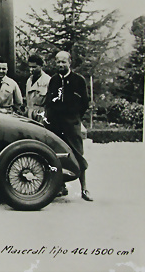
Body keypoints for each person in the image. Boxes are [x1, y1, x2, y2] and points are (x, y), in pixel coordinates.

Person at [44, 51, 92, 201]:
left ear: (70, 62)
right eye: (58, 62)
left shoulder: (79, 80)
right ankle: (61, 187)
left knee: (77, 154)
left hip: (72, 124)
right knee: (56, 155)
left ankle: (84, 189)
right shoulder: (53, 80)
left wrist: (75, 118)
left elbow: (85, 103)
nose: (60, 65)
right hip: (56, 125)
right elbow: (49, 101)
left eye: (63, 62)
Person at [26, 54, 51, 122]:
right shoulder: (29, 80)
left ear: (41, 66)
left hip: (42, 115)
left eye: (34, 67)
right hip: (30, 114)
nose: (31, 69)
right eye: (30, 67)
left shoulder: (47, 80)